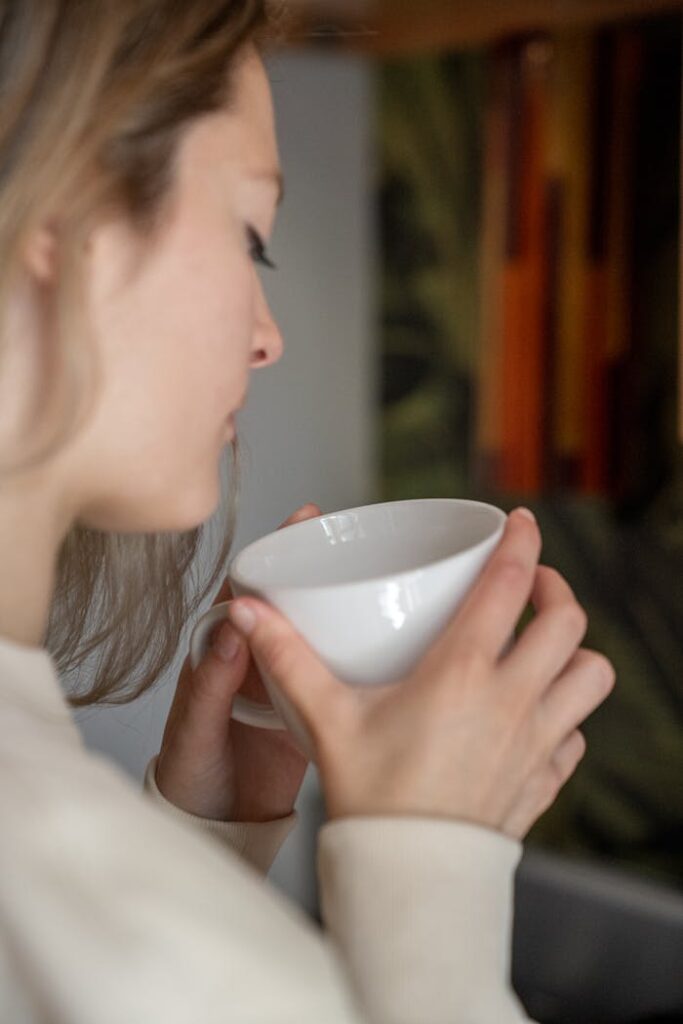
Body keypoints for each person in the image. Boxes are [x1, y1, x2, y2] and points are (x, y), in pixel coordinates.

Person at [0, 2, 615, 1021]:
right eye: (252, 236)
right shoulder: (66, 885)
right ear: (60, 211)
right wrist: (430, 869)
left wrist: (203, 840)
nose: (267, 336)